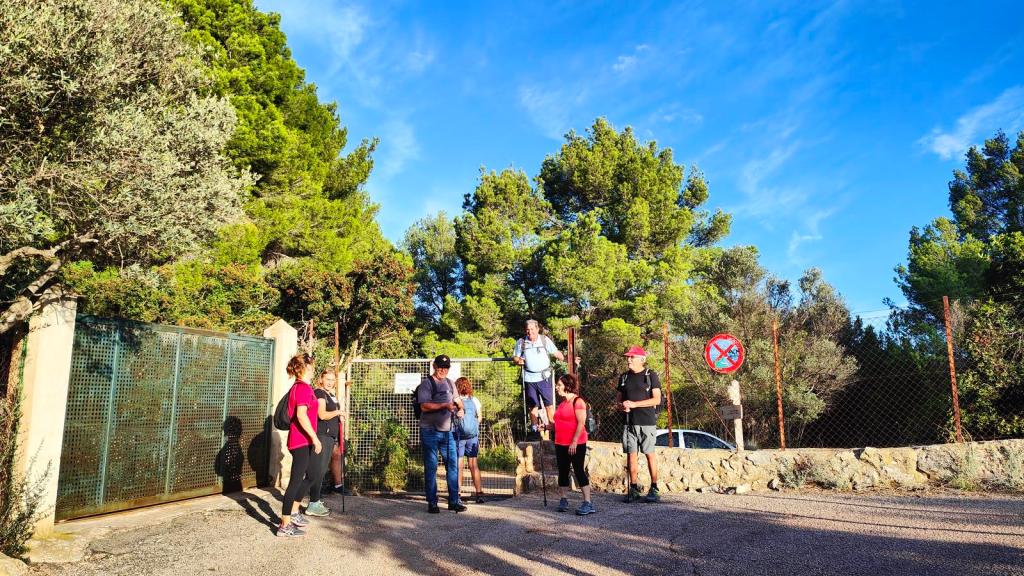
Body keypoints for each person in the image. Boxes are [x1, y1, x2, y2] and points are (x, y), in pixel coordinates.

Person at [277, 353, 322, 537]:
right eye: (310, 368)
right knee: (295, 481)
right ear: (302, 369)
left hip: (305, 441)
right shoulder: (302, 388)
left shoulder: (302, 388)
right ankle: (284, 524)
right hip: (300, 441)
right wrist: (315, 437)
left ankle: (294, 512)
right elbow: (301, 415)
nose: (313, 371)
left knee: (312, 474)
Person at [417, 354, 467, 513]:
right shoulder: (427, 384)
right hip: (429, 431)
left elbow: (458, 401)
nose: (443, 370)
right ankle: (432, 502)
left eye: (446, 368)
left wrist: (461, 409)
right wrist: (444, 405)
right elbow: (424, 406)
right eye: (440, 367)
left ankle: (454, 501)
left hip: (447, 433)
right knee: (431, 467)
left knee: (453, 466)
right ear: (434, 366)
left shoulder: (451, 383)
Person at [616, 346, 661, 504]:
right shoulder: (623, 377)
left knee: (650, 454)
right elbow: (618, 400)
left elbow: (657, 400)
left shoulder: (650, 375)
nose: (628, 360)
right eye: (627, 357)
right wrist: (623, 405)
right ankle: (633, 488)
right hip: (628, 423)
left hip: (646, 422)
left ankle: (654, 488)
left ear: (642, 359)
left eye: (632, 357)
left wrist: (634, 404)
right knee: (631, 456)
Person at [548, 373, 594, 515]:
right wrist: (547, 427)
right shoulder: (562, 404)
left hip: (576, 443)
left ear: (568, 386)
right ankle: (563, 499)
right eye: (557, 385)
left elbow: (581, 422)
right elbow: (559, 424)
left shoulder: (578, 401)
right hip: (560, 442)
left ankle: (588, 502)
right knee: (563, 471)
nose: (557, 387)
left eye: (559, 385)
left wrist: (574, 441)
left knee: (578, 470)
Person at [513, 319, 565, 437]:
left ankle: (554, 432)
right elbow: (515, 357)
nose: (530, 332)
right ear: (525, 330)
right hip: (529, 379)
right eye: (527, 330)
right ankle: (535, 432)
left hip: (544, 378)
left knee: (549, 406)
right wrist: (518, 360)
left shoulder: (544, 340)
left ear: (537, 329)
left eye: (532, 329)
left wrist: (568, 360)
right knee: (533, 407)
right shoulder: (521, 343)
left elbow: (556, 353)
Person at [304, 369, 345, 516]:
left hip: (330, 437)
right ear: (321, 379)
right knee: (318, 470)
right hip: (321, 435)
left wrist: (338, 417)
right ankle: (312, 503)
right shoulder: (320, 393)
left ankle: (315, 501)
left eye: (332, 380)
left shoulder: (330, 395)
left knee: (320, 471)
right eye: (327, 379)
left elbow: (331, 414)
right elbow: (321, 414)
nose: (330, 382)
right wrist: (338, 413)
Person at [454, 376, 485, 504]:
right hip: (472, 437)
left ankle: (457, 493)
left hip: (458, 436)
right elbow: (480, 418)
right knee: (473, 465)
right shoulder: (475, 400)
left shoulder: (455, 401)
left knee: (459, 465)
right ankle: (479, 493)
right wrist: (473, 426)